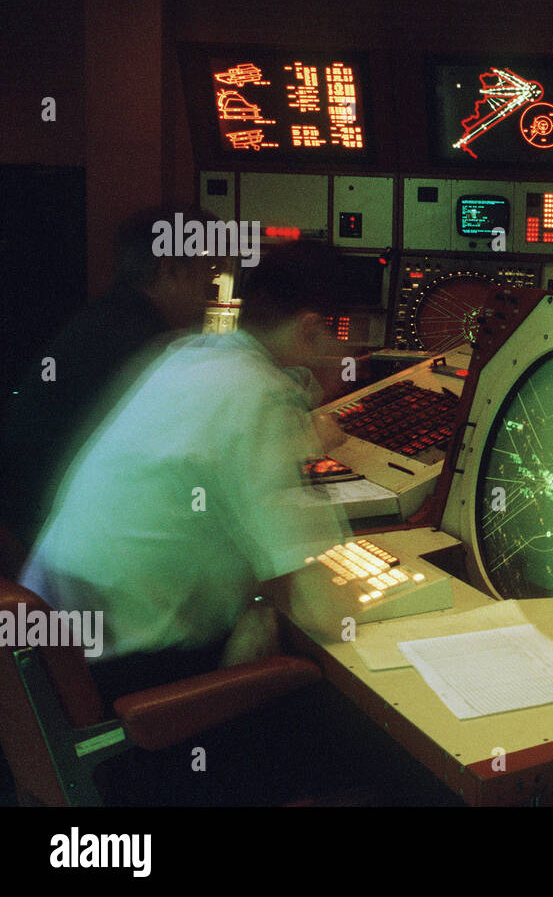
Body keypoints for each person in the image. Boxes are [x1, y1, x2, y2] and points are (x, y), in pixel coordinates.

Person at [20, 239, 352, 701]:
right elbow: (323, 608)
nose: (348, 352)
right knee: (331, 706)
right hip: (126, 679)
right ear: (311, 329)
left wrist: (259, 603)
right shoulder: (261, 394)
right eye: (345, 336)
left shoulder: (189, 356)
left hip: (59, 650)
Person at [0, 205, 219, 548]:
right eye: (207, 271)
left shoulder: (109, 316)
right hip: (53, 535)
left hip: (32, 516)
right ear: (170, 269)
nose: (212, 287)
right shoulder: (146, 344)